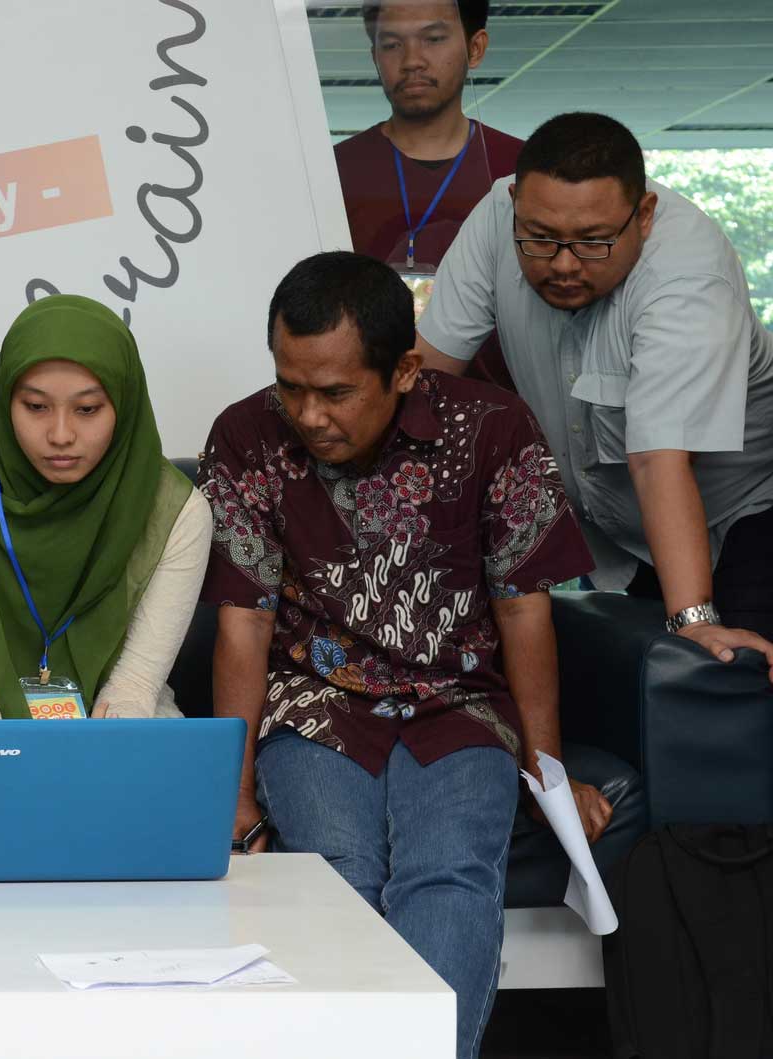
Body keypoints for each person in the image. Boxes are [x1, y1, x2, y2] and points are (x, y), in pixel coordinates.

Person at [201, 252, 611, 1059]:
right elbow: (245, 622)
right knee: (336, 872)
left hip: (458, 701)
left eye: (336, 392)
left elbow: (523, 607)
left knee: (449, 871)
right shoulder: (245, 435)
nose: (308, 414)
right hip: (314, 701)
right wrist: (232, 789)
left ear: (405, 370)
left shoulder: (492, 427)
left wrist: (547, 772)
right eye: (291, 385)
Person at [416, 112, 773, 658]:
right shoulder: (496, 216)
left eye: (592, 242)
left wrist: (694, 621)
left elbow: (660, 461)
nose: (562, 264)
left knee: (721, 677)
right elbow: (428, 380)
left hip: (746, 518)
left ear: (645, 215)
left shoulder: (688, 283)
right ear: (515, 203)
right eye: (540, 238)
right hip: (627, 537)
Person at [0, 294, 213, 811]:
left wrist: (73, 770)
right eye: (36, 407)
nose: (61, 435)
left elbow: (133, 687)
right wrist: (7, 760)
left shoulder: (176, 511)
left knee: (136, 802)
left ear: (124, 405)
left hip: (121, 726)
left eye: (88, 409)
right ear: (5, 401)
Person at [334, 0, 520, 388]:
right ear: (374, 56)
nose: (412, 60)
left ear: (476, 48)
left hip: (503, 414)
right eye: (391, 45)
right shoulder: (330, 172)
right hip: (363, 411)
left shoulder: (525, 170)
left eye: (433, 39)